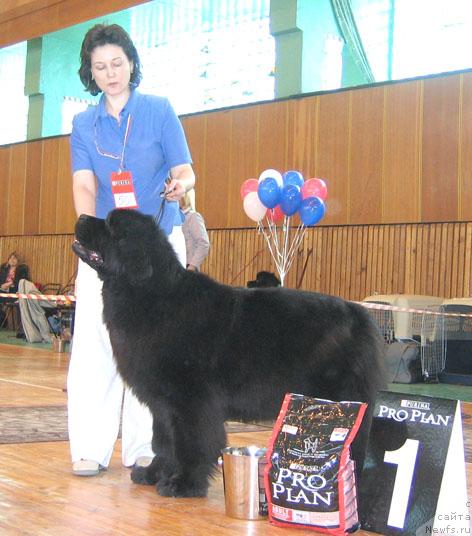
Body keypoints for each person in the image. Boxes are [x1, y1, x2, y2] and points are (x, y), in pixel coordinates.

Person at [68, 23, 195, 477]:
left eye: (117, 63)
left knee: (155, 347)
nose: (110, 73)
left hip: (160, 245)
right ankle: (89, 447)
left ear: (132, 61)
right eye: (100, 67)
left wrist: (181, 184)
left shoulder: (160, 111)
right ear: (91, 72)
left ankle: (145, 446)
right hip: (107, 248)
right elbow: (85, 181)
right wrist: (91, 231)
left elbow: (184, 168)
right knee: (94, 345)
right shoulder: (84, 124)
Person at [179, 190, 210, 271]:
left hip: (188, 267)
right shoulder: (175, 218)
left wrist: (191, 267)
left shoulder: (193, 217)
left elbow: (204, 243)